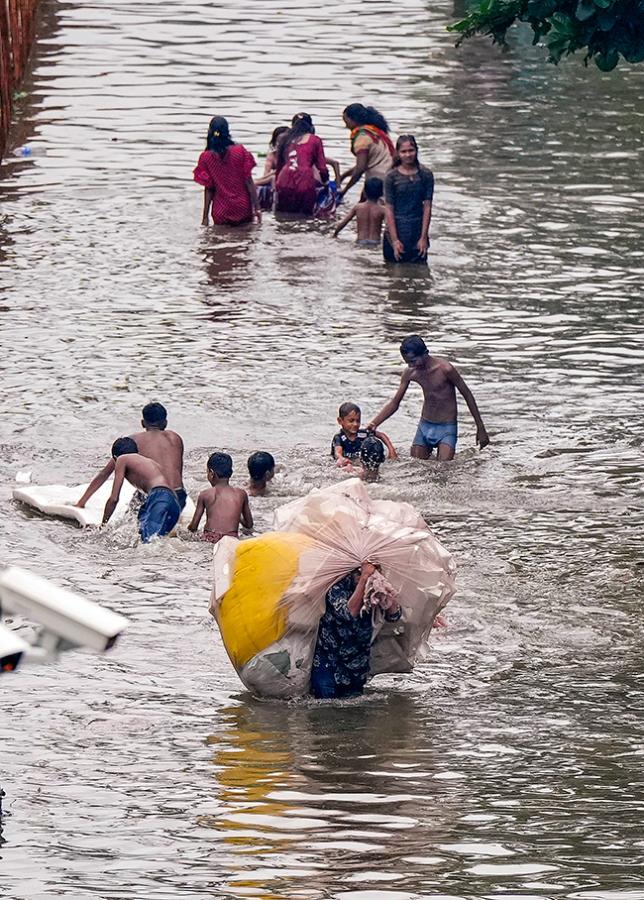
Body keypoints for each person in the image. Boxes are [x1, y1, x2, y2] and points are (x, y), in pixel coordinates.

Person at [366, 335, 490, 461]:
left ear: (425, 353)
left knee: (445, 470)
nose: (411, 365)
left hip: (446, 427)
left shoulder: (445, 369)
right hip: (425, 426)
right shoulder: (411, 372)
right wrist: (374, 423)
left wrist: (480, 428)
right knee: (415, 467)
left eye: (413, 361)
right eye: (408, 363)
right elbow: (395, 403)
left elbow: (467, 395)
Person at [310, 562, 401, 699]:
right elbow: (348, 613)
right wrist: (364, 579)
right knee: (326, 710)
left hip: (357, 665)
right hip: (330, 663)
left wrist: (386, 594)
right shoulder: (337, 584)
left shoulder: (374, 587)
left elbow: (394, 616)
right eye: (360, 573)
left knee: (354, 711)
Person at [76, 402, 186, 509]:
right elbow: (176, 471)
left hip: (155, 496)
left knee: (132, 512)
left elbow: (105, 473)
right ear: (165, 422)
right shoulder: (175, 438)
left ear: (143, 423)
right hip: (179, 495)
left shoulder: (134, 440)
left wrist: (81, 502)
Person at [102, 438, 181, 542]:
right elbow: (137, 502)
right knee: (143, 528)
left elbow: (114, 499)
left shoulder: (122, 459)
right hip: (174, 501)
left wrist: (103, 526)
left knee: (149, 545)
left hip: (159, 496)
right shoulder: (150, 464)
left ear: (115, 458)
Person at [193, 115, 261, 226]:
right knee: (245, 240)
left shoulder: (206, 157)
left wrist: (205, 217)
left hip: (221, 210)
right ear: (227, 131)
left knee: (221, 241)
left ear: (210, 132)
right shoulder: (240, 151)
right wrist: (257, 208)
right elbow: (249, 181)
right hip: (243, 207)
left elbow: (209, 189)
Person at [383, 134, 434, 264]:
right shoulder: (391, 176)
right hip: (396, 231)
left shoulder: (425, 175)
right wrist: (395, 240)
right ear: (398, 153)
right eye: (403, 152)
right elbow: (389, 208)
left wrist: (423, 237)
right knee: (394, 278)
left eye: (411, 150)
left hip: (417, 231)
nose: (408, 155)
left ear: (416, 151)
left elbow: (427, 206)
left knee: (421, 276)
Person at [188, 452, 253, 544]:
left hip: (210, 538)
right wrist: (237, 517)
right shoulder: (241, 494)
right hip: (231, 538)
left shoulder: (205, 494)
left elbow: (194, 527)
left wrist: (183, 532)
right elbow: (249, 525)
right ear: (231, 473)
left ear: (211, 473)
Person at [274, 113, 331, 215]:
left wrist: (276, 185)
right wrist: (326, 185)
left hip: (284, 179)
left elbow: (279, 165)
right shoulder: (314, 140)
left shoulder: (284, 139)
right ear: (310, 126)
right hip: (304, 180)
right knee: (305, 216)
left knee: (282, 215)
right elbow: (322, 167)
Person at [338, 103, 395, 201]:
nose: (346, 125)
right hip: (391, 176)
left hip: (379, 182)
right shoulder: (375, 131)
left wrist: (345, 190)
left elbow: (360, 169)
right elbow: (367, 163)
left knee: (368, 210)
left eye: (346, 121)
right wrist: (344, 176)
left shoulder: (362, 138)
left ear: (353, 119)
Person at [332, 402, 396, 467]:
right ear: (340, 421)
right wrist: (341, 458)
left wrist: (391, 450)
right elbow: (337, 452)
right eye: (351, 421)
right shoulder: (339, 437)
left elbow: (381, 435)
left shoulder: (362, 434)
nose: (355, 424)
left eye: (358, 421)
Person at [333, 176, 385, 246]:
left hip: (360, 241)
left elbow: (344, 222)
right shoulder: (382, 210)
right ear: (381, 193)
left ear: (364, 192)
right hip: (375, 242)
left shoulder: (358, 207)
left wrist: (335, 234)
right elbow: (389, 228)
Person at [254, 125, 289, 210]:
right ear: (275, 142)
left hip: (287, 178)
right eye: (279, 141)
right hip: (274, 178)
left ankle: (253, 183)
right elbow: (266, 173)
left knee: (273, 177)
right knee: (272, 177)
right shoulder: (272, 155)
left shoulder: (292, 154)